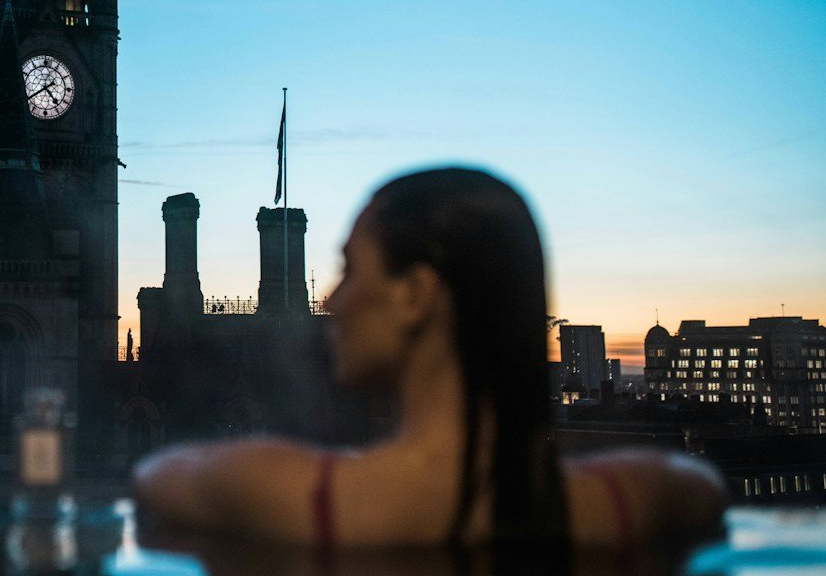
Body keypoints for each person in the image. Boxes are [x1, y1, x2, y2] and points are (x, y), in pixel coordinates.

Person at [133, 167, 727, 550]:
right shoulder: (633, 501)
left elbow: (157, 481)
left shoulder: (288, 493)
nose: (334, 301)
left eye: (350, 269)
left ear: (415, 295)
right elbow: (699, 487)